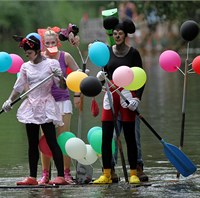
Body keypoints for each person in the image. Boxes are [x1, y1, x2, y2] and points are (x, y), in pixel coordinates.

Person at [2, 35, 68, 185]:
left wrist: (61, 77)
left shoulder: (52, 64)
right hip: (30, 106)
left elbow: (62, 87)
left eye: (30, 53)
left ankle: (60, 176)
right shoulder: (25, 66)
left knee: (52, 141)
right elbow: (18, 87)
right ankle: (32, 177)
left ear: (38, 51)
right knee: (32, 143)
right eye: (26, 54)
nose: (28, 56)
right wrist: (9, 101)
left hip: (46, 105)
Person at [93, 16, 146, 184]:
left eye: (120, 33)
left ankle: (133, 173)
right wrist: (100, 77)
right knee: (107, 136)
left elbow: (140, 78)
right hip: (110, 95)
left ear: (125, 35)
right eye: (115, 33)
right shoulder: (107, 52)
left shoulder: (133, 53)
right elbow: (104, 76)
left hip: (128, 96)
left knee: (130, 136)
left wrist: (137, 99)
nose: (117, 36)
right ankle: (107, 174)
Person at [36, 27, 80, 184]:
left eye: (53, 42)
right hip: (45, 103)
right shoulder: (39, 58)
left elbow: (79, 75)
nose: (50, 45)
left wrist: (77, 95)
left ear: (57, 43)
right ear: (43, 44)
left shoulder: (65, 56)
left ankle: (66, 174)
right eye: (47, 43)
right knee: (45, 139)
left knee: (64, 139)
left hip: (63, 102)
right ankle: (45, 175)